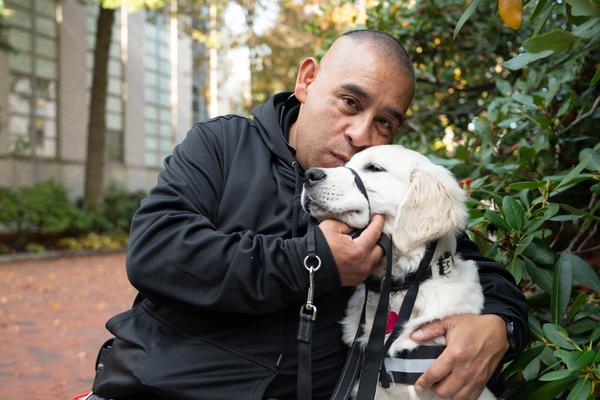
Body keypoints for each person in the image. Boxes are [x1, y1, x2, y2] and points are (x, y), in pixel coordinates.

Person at [91, 30, 529, 400]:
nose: (361, 134)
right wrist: (313, 261)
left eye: (384, 123)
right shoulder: (223, 144)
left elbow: (464, 261)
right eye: (350, 102)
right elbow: (157, 251)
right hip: (163, 386)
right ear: (307, 80)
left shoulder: (378, 195)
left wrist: (501, 326)